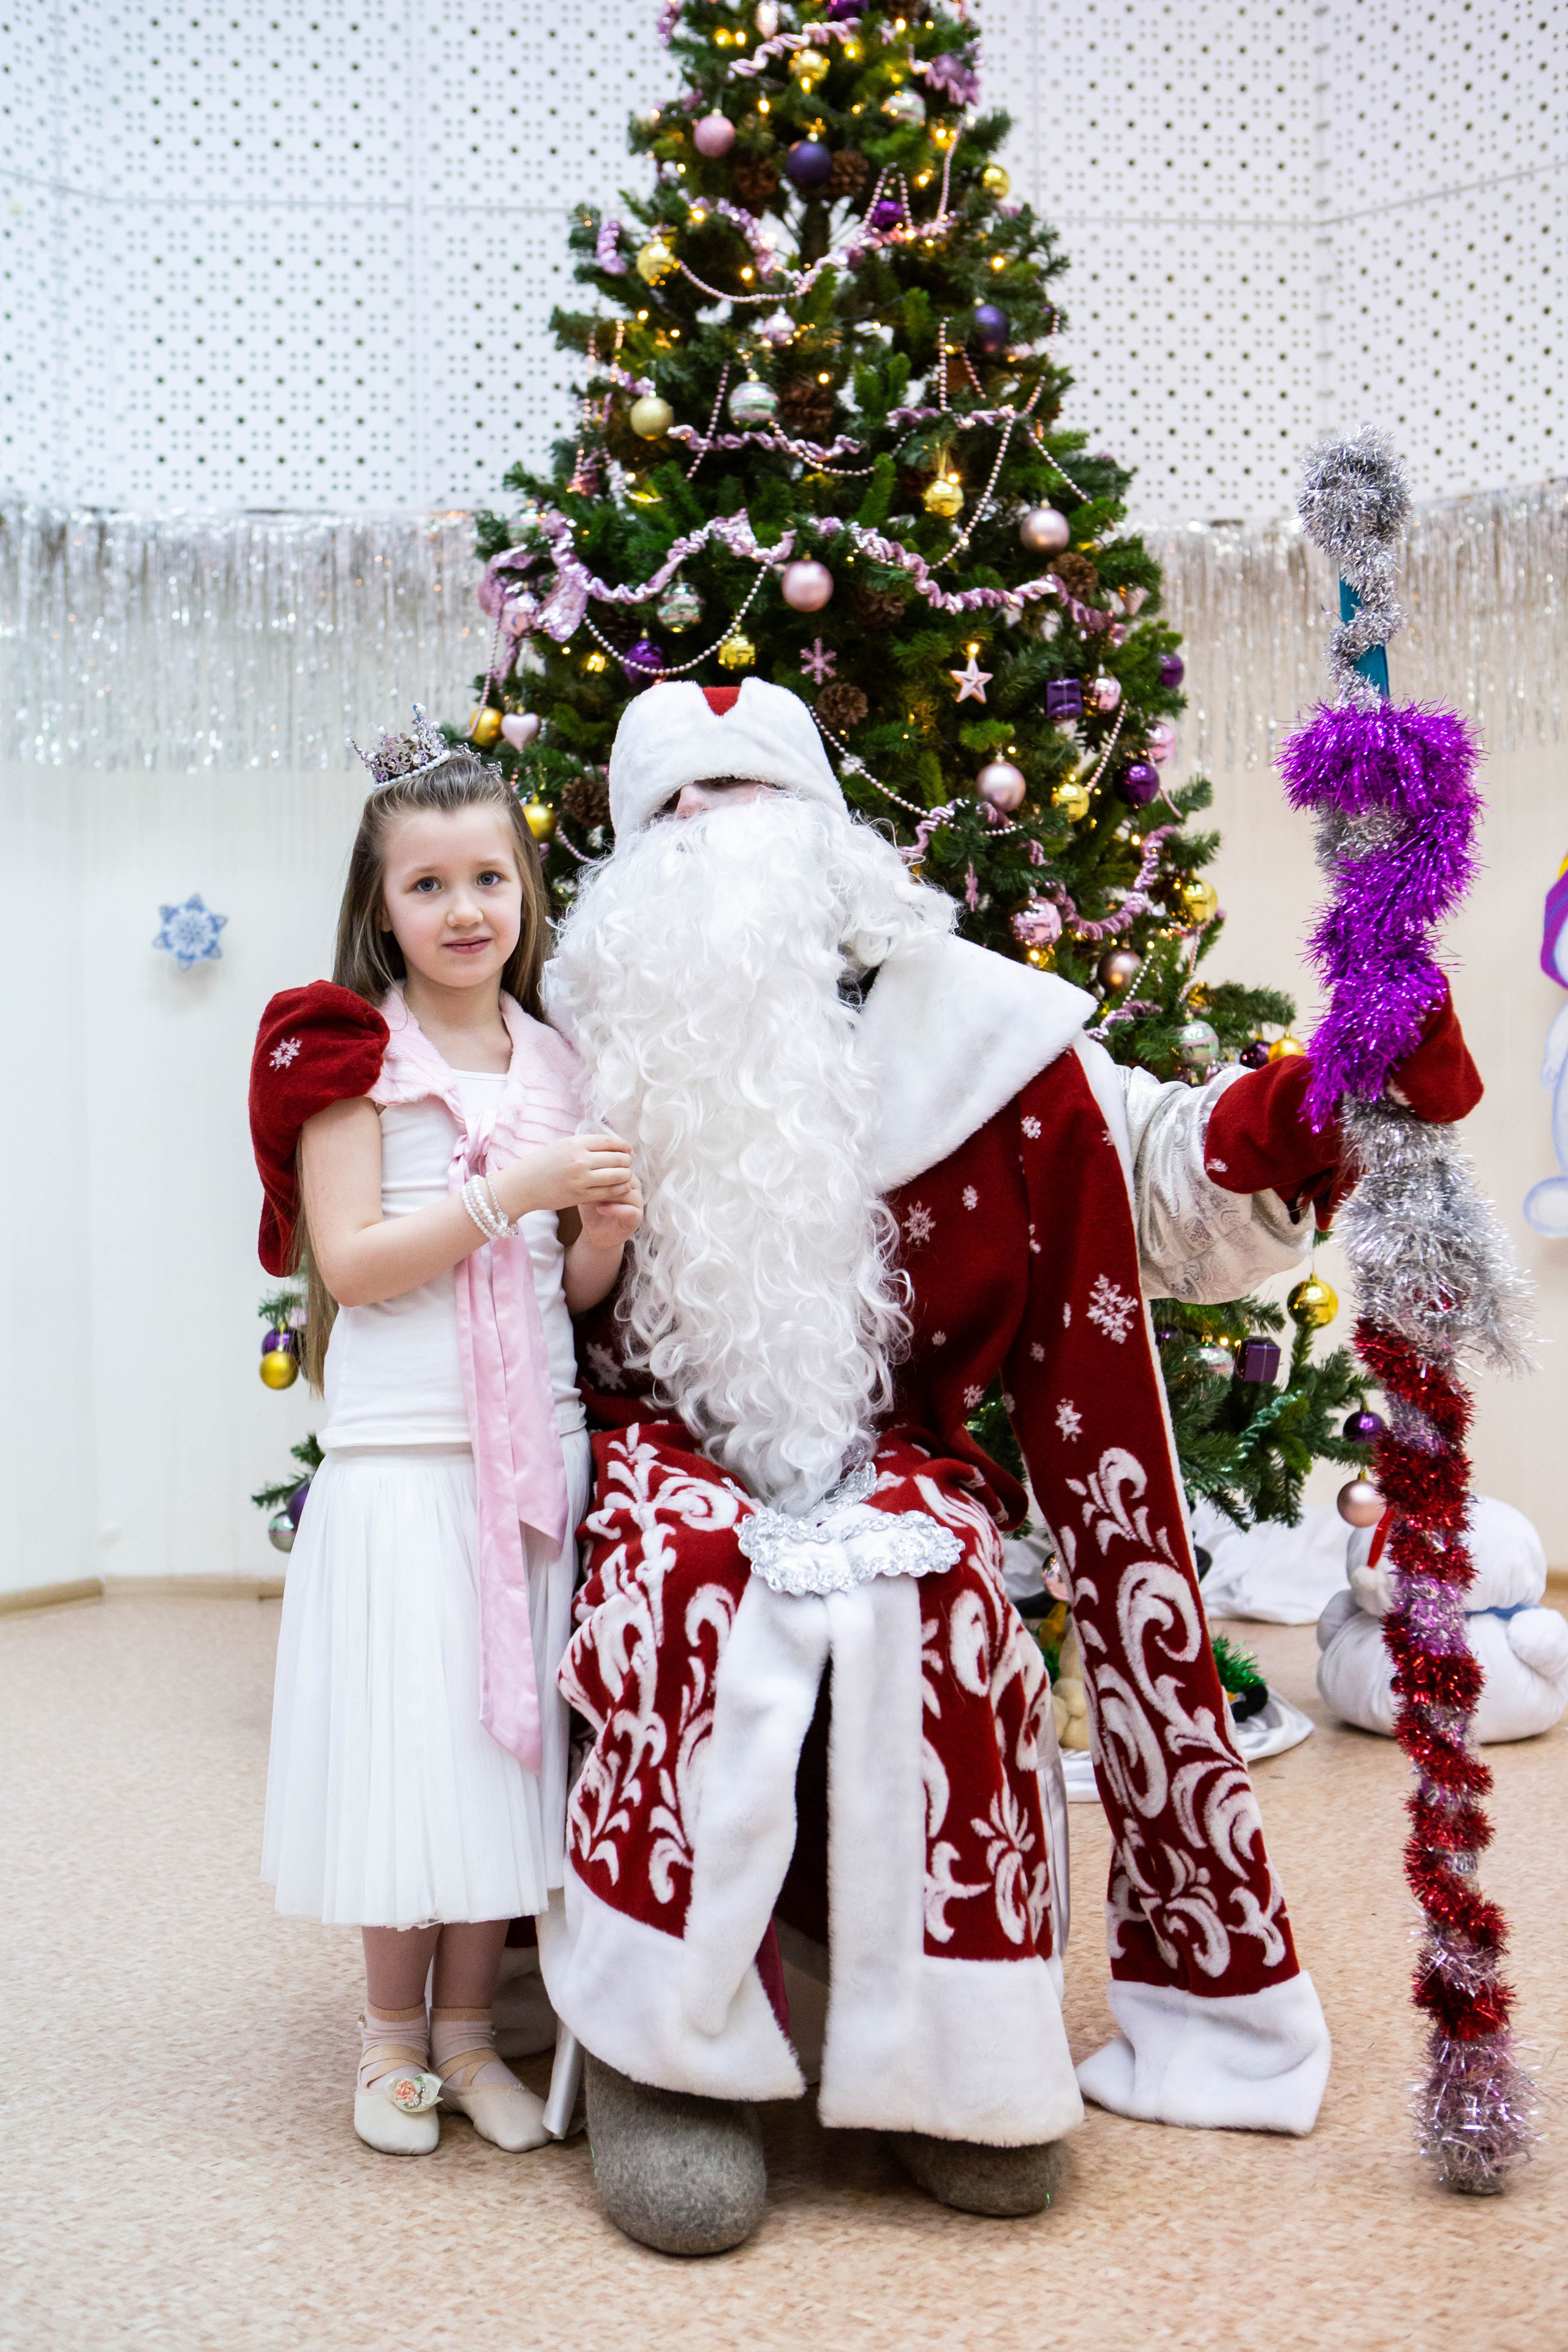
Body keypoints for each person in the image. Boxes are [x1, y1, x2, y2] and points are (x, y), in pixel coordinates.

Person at [538, 676, 1483, 2255]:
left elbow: (1157, 1188)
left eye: (753, 802)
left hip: (896, 1453)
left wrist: (1326, 1091)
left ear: (831, 837)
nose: (720, 841)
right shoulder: (567, 1045)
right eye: (679, 814)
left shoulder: (979, 1029)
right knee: (689, 1584)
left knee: (949, 1593)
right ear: (630, 863)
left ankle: (954, 2068)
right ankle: (669, 2064)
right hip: (656, 1449)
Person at [247, 709, 641, 2157]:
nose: (463, 909)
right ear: (384, 905)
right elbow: (350, 1264)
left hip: (527, 1457)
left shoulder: (557, 1060)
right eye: (428, 886)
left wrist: (591, 1228)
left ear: (525, 891)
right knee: (411, 1749)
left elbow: (566, 1286)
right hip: (405, 1461)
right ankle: (387, 2040)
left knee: (503, 1758)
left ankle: (474, 2033)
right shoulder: (354, 1061)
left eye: (488, 879)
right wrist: (511, 1188)